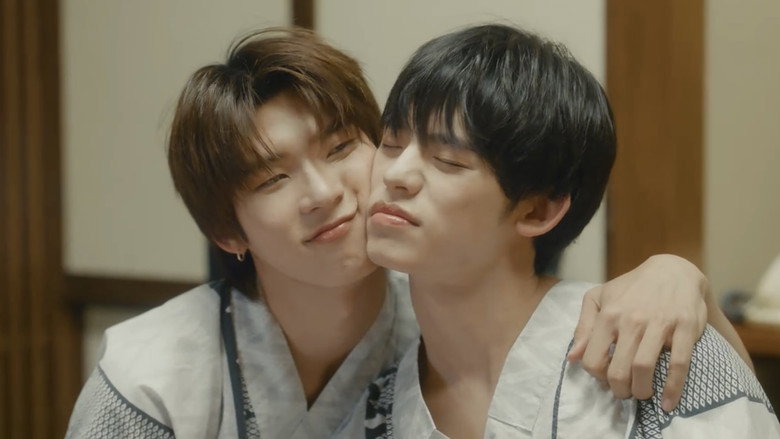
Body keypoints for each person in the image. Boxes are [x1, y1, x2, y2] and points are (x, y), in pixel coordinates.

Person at [66, 28, 750, 438]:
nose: (329, 191)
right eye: (272, 179)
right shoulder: (156, 376)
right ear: (226, 230)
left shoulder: (466, 308)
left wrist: (683, 280)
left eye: (344, 147)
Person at [339, 24, 779, 438]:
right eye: (391, 143)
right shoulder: (374, 410)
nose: (396, 174)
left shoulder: (654, 353)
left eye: (448, 161)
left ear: (537, 210)